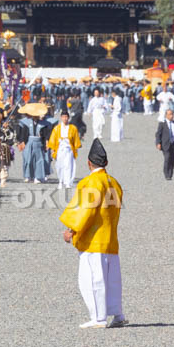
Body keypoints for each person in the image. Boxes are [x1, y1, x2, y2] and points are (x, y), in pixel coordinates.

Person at [59, 139, 126, 329]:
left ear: (89, 163)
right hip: (110, 238)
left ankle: (98, 318)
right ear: (106, 163)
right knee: (112, 280)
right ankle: (118, 314)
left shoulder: (90, 182)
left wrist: (72, 230)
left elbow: (86, 210)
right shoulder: (114, 183)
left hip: (93, 240)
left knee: (92, 279)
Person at [47, 109, 81, 189]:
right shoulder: (57, 128)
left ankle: (67, 182)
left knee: (68, 165)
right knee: (59, 165)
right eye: (63, 117)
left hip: (69, 149)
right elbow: (53, 139)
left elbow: (76, 140)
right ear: (61, 118)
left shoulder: (73, 128)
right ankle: (60, 181)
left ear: (68, 118)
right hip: (60, 149)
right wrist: (52, 150)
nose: (65, 118)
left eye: (66, 117)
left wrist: (76, 150)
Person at [155, 109, 174, 181]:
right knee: (167, 158)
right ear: (166, 115)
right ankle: (166, 174)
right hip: (165, 144)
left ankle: (170, 174)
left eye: (172, 114)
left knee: (172, 159)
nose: (171, 116)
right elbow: (158, 134)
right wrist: (158, 143)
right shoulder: (162, 124)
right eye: (170, 114)